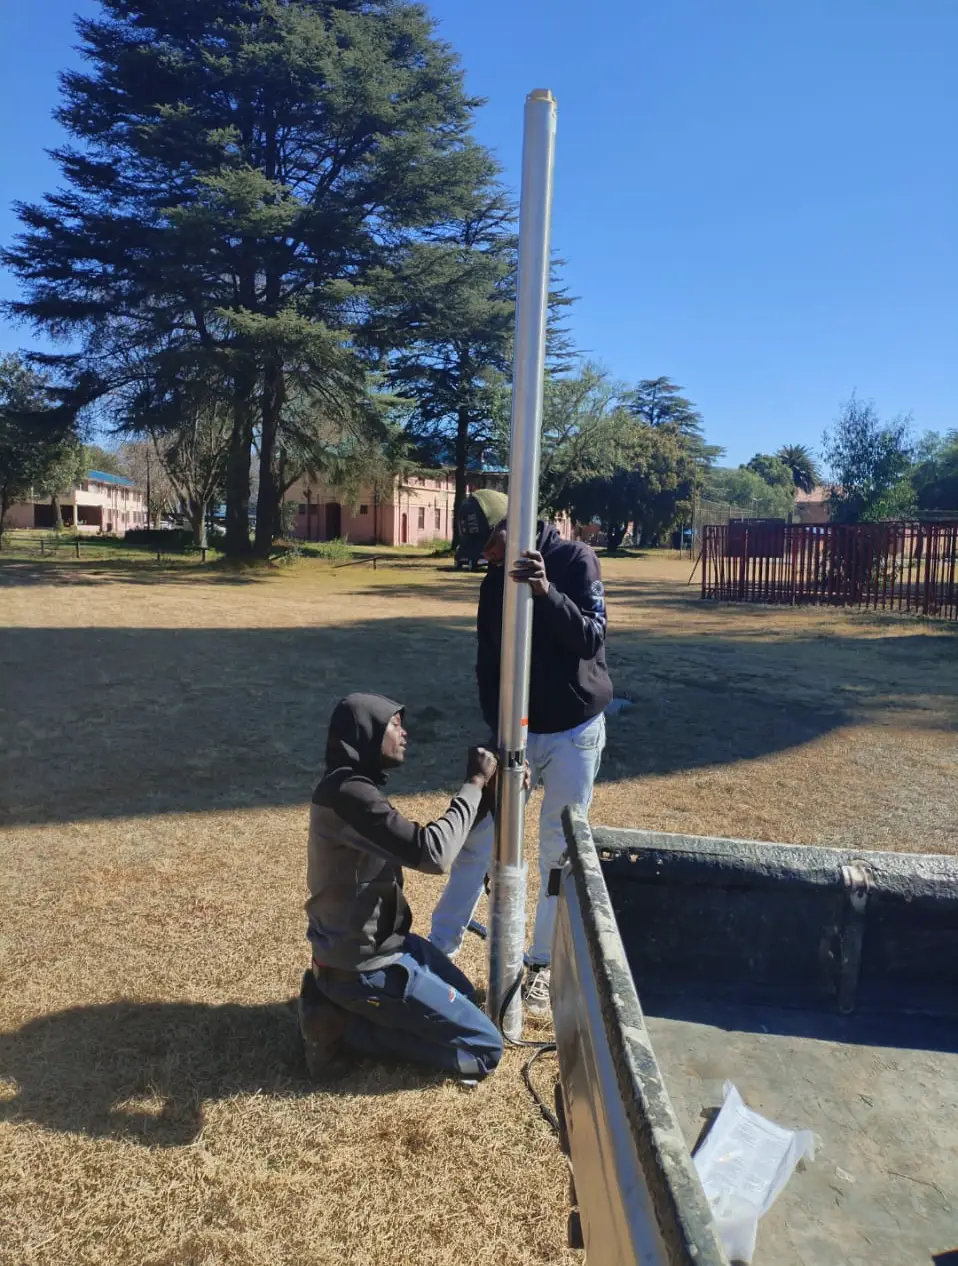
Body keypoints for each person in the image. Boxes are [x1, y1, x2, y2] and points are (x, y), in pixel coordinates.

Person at [430, 495, 612, 1017]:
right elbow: (488, 665)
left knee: (557, 850)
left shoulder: (576, 560)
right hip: (518, 733)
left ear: (513, 526)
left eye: (488, 543)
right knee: (479, 834)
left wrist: (545, 592)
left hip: (575, 731)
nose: (485, 557)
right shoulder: (493, 580)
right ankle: (438, 949)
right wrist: (502, 737)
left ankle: (538, 965)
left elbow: (591, 638)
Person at [299, 692, 504, 1082]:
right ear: (367, 731)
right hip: (364, 965)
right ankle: (347, 1032)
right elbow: (434, 854)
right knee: (484, 1050)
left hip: (388, 946)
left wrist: (486, 797)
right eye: (394, 723)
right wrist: (474, 781)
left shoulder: (352, 788)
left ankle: (337, 1003)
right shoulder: (350, 796)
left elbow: (427, 842)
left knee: (467, 997)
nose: (404, 732)